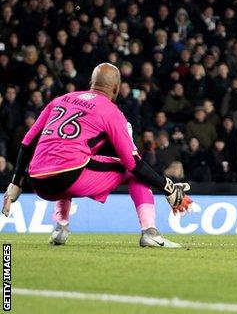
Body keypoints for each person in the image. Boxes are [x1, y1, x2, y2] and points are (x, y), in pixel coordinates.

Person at [2, 63, 190, 248]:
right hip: (69, 175)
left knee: (73, 157)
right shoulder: (111, 112)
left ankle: (61, 226)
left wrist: (16, 182)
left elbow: (28, 141)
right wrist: (168, 188)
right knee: (131, 171)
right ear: (116, 88)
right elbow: (133, 164)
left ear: (91, 82)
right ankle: (150, 232)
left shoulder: (60, 100)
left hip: (36, 179)